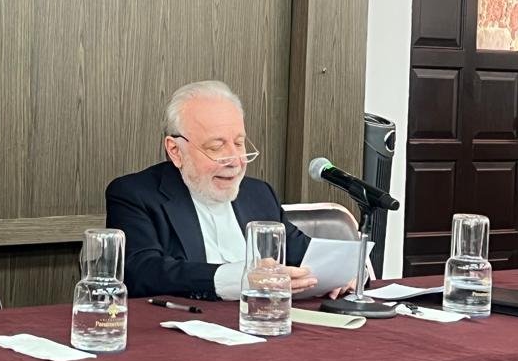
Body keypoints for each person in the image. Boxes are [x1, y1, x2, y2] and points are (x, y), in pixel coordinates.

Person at [106, 80, 348, 302]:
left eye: (239, 143)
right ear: (175, 151)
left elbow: (306, 255)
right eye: (216, 147)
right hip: (188, 326)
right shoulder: (136, 194)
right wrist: (241, 279)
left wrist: (346, 272)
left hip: (263, 322)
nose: (235, 160)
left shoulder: (259, 194)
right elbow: (142, 272)